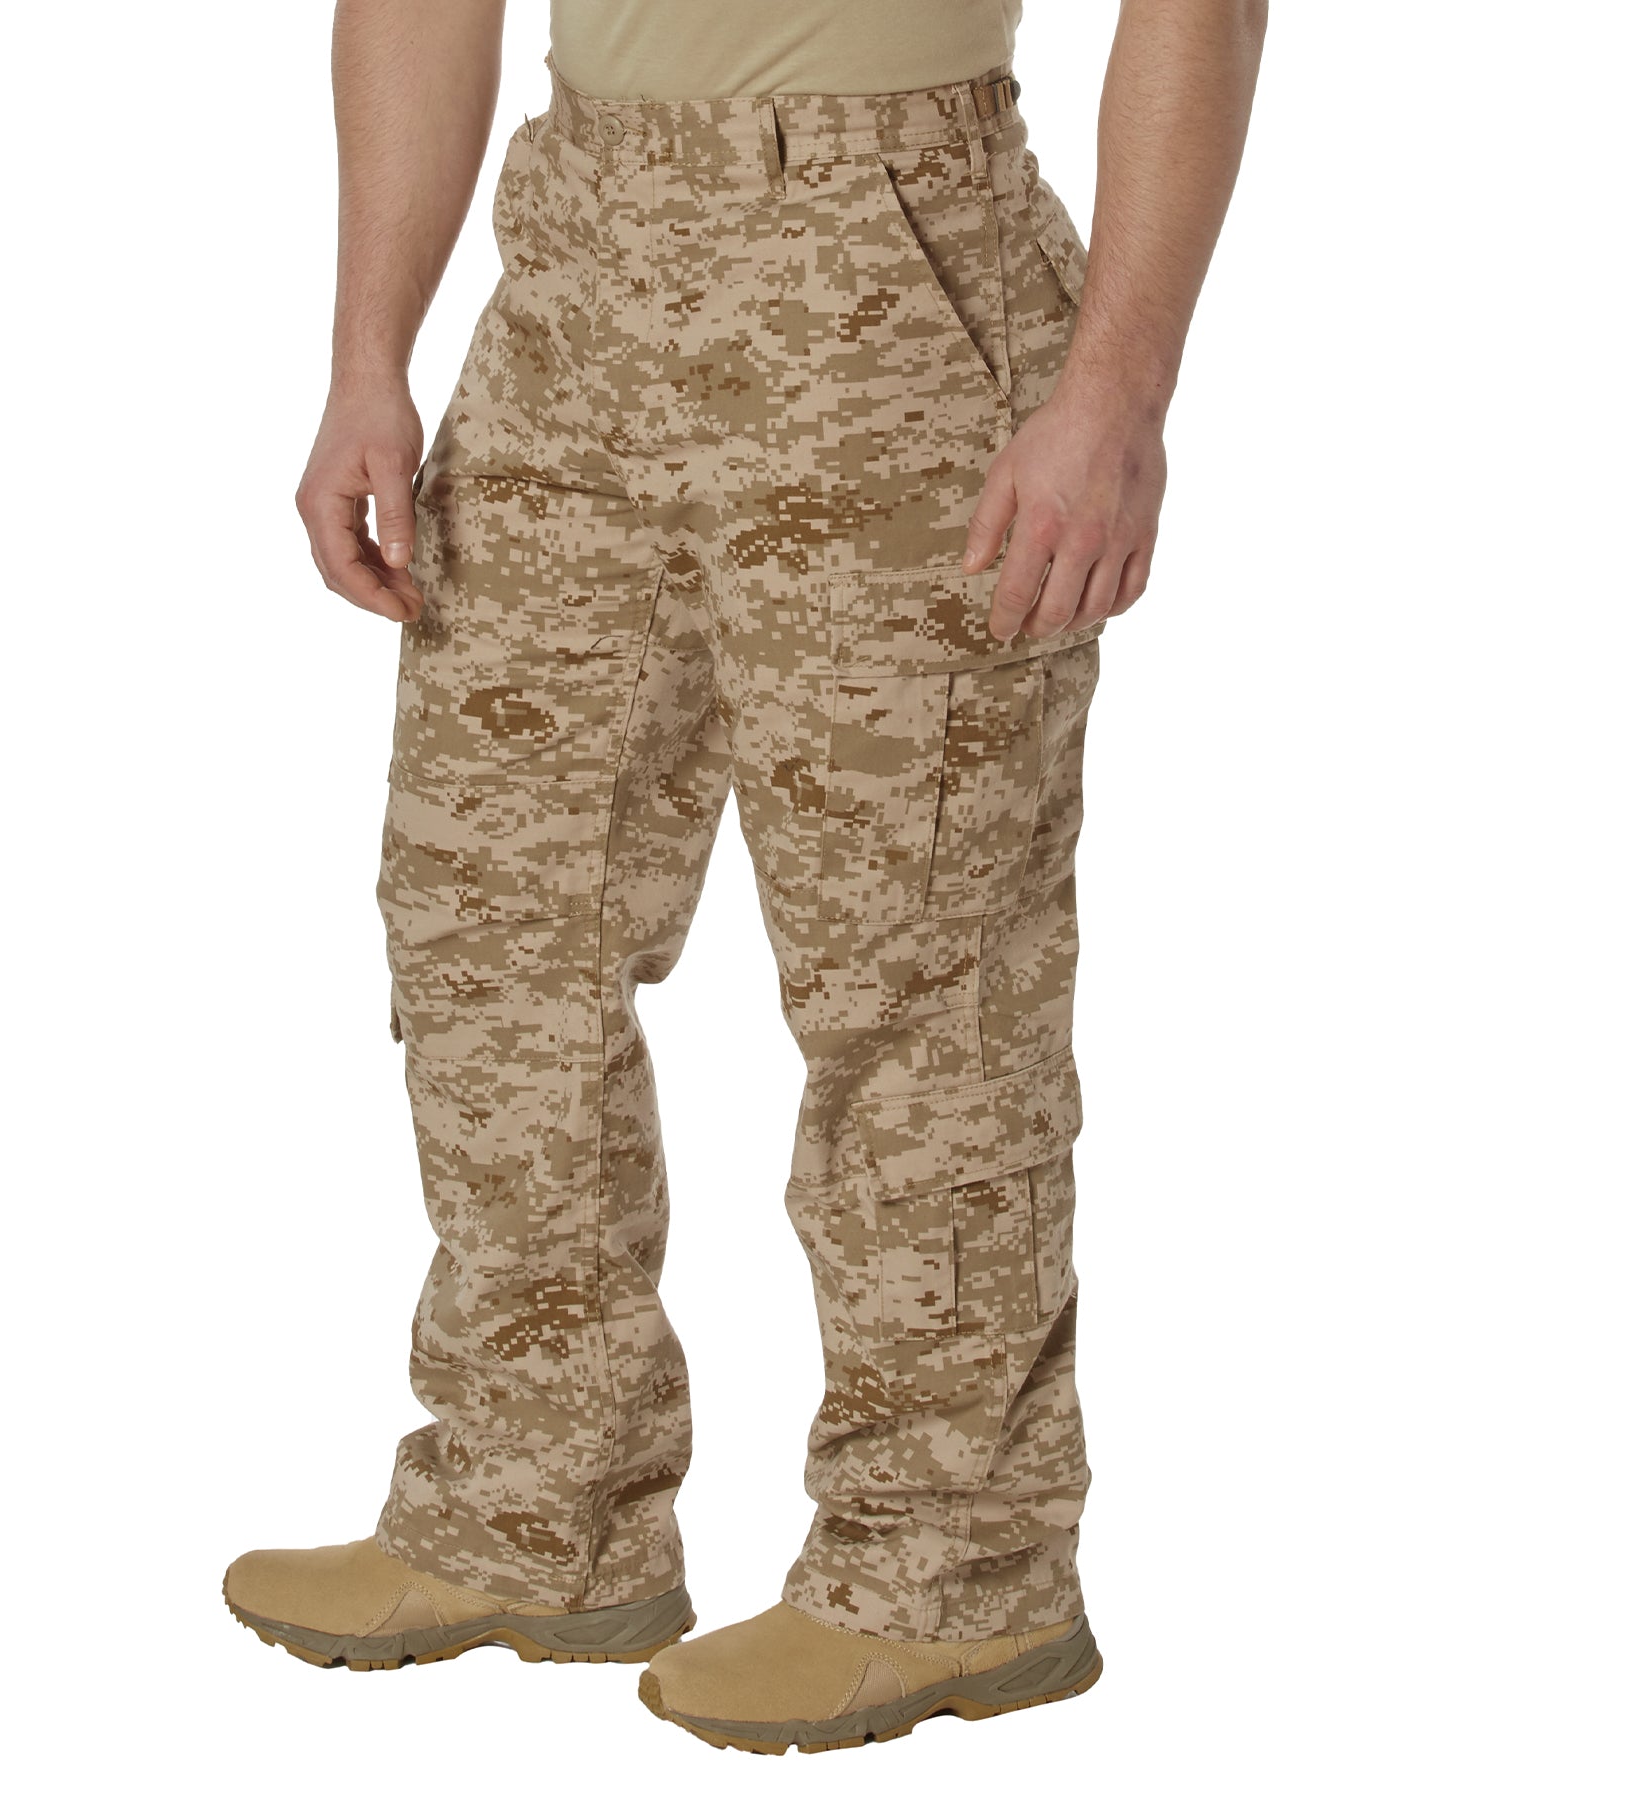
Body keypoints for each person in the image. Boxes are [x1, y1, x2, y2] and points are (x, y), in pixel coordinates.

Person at [225, 0, 1267, 1753]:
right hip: (574, 272)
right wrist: (365, 355)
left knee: (916, 969)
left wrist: (1116, 391)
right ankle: (531, 1506)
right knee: (491, 924)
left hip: (893, 260)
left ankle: (954, 1573)